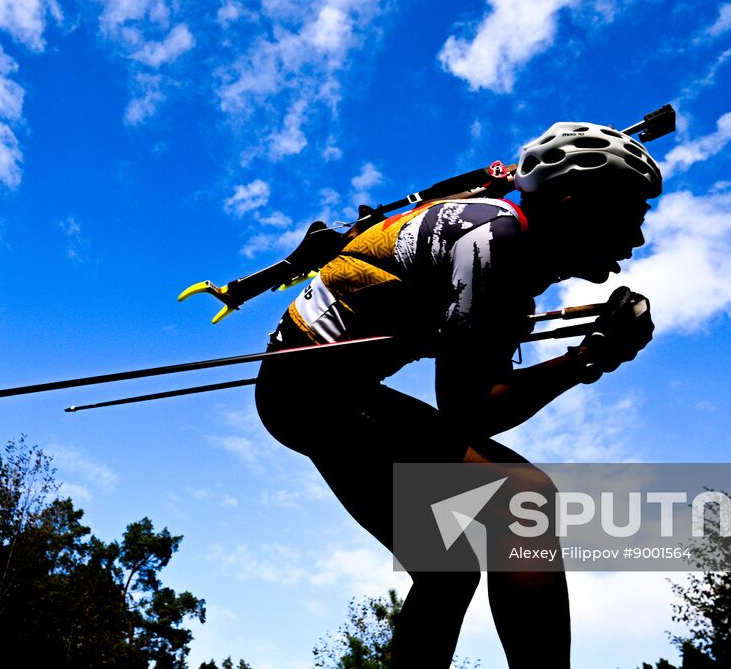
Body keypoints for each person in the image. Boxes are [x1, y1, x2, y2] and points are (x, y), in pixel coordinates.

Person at [254, 121, 660, 668]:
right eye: (631, 217)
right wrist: (590, 358)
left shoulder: (504, 230)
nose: (637, 239)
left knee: (448, 564)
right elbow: (471, 409)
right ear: (572, 206)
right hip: (313, 394)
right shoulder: (496, 241)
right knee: (522, 499)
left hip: (314, 388)